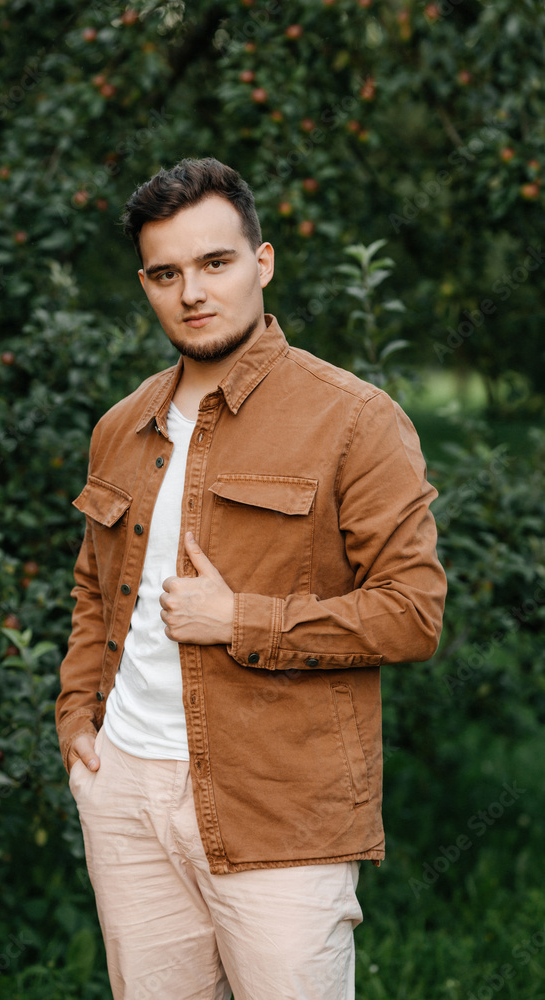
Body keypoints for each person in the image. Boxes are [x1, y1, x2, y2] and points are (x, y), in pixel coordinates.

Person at [55, 157, 447, 1000]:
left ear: (261, 262)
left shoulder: (354, 421)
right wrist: (76, 715)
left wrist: (241, 620)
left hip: (278, 806)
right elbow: (95, 586)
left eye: (215, 263)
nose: (191, 292)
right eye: (166, 273)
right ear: (146, 284)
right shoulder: (122, 426)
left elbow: (413, 614)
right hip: (125, 791)